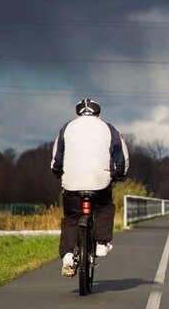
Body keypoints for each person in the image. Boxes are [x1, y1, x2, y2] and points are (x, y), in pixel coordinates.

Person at [51, 98, 129, 277]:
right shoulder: (108, 129)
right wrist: (121, 175)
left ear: (77, 113)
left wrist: (58, 172)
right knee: (104, 207)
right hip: (99, 181)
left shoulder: (67, 128)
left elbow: (57, 157)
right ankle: (101, 243)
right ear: (98, 114)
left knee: (71, 217)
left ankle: (69, 255)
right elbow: (122, 156)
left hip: (72, 183)